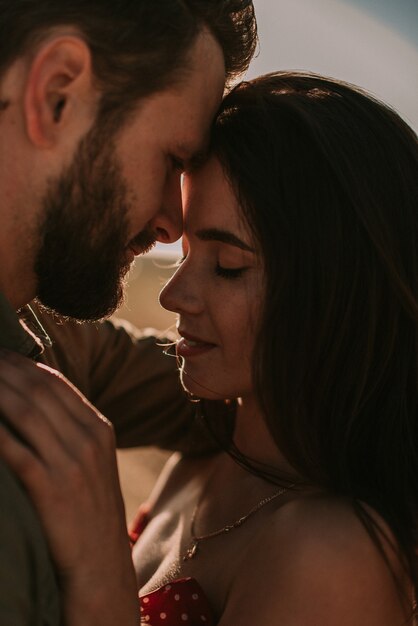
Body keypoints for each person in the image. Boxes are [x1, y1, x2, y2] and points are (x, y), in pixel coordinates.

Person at [1, 70, 417, 625]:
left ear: (340, 293)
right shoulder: (211, 437)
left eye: (227, 267)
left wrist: (100, 576)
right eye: (185, 254)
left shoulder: (333, 558)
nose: (174, 296)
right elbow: (80, 348)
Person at [0, 1, 257, 624]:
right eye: (172, 159)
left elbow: (220, 395)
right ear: (57, 92)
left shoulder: (46, 344)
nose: (171, 224)